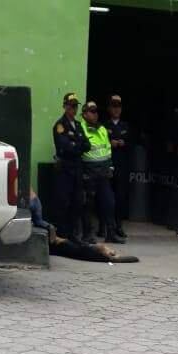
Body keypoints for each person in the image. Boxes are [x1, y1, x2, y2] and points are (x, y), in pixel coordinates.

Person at [80, 100, 125, 245]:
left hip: (103, 172)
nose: (95, 114)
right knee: (88, 204)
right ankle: (88, 234)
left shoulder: (102, 129)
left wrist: (110, 167)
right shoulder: (80, 128)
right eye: (91, 111)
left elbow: (107, 149)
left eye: (96, 111)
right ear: (84, 113)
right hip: (88, 170)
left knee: (109, 202)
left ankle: (110, 233)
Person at [53, 93, 89, 243]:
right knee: (64, 202)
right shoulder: (60, 125)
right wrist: (76, 145)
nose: (73, 109)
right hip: (66, 169)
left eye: (75, 106)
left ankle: (74, 235)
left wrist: (76, 144)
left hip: (77, 169)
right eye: (71, 106)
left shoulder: (79, 125)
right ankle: (62, 235)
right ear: (65, 106)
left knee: (77, 202)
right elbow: (65, 147)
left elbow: (87, 145)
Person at [103, 94, 130, 239]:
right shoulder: (104, 126)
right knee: (106, 197)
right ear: (109, 108)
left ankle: (118, 225)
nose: (116, 109)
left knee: (120, 197)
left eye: (118, 107)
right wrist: (110, 143)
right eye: (113, 106)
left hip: (122, 166)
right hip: (108, 164)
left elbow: (132, 143)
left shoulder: (126, 126)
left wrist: (123, 143)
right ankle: (104, 226)